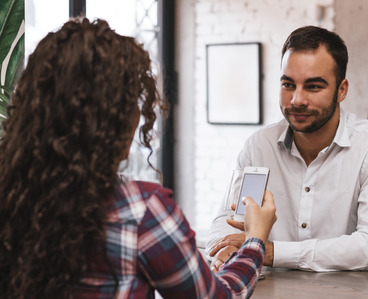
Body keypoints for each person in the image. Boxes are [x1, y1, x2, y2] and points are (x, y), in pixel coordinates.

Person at [0, 18, 277, 299]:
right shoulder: (141, 211)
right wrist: (255, 238)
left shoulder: (11, 191)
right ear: (115, 118)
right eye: (132, 102)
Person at [206, 26, 368, 272]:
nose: (297, 100)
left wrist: (268, 251)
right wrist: (223, 247)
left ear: (342, 90)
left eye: (313, 87)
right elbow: (227, 221)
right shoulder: (260, 146)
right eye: (288, 84)